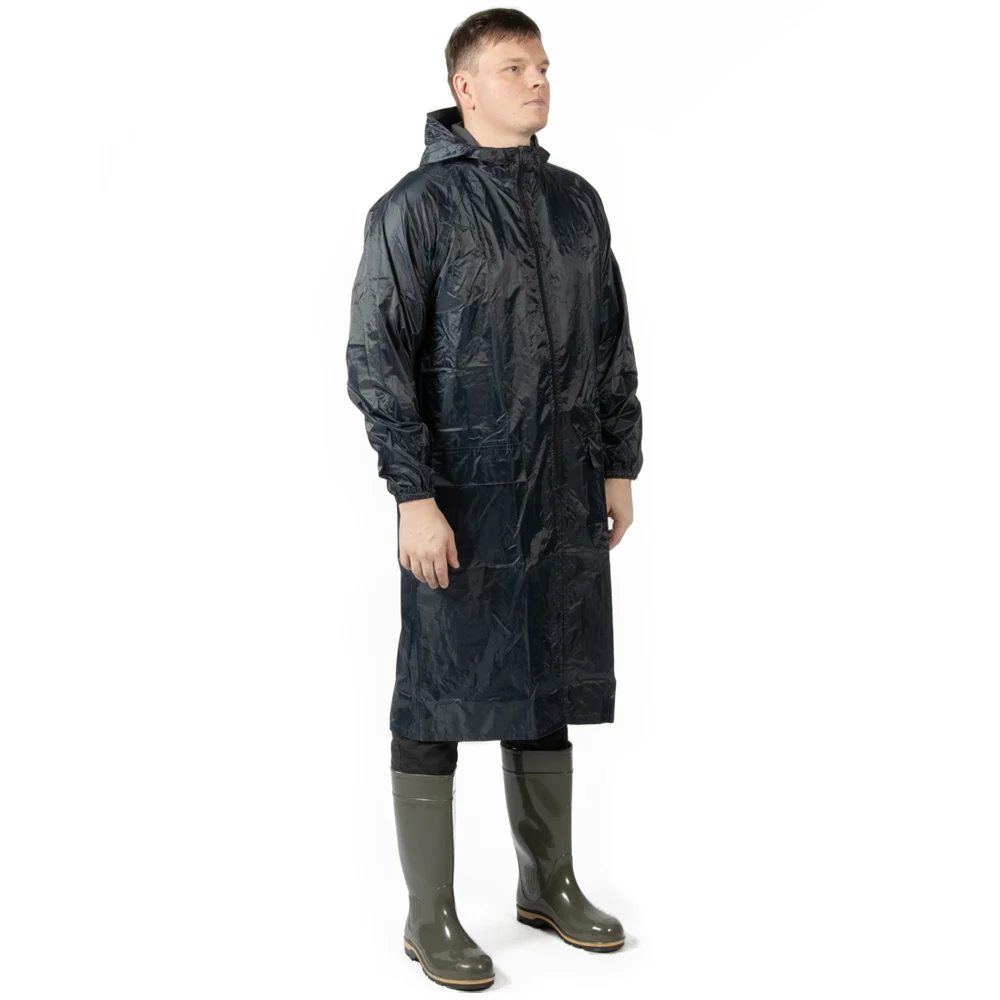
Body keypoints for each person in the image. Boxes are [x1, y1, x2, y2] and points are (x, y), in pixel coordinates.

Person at [346, 8, 642, 991]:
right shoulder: (414, 210)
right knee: (437, 687)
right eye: (515, 66)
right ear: (464, 86)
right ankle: (428, 913)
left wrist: (616, 463)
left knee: (547, 675)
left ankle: (547, 881)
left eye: (544, 64)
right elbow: (377, 359)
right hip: (462, 494)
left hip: (563, 483)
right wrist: (413, 495)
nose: (539, 80)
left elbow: (610, 339)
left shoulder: (575, 203)